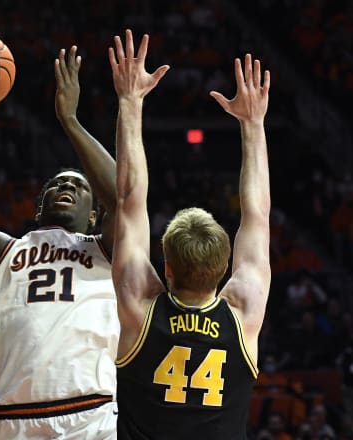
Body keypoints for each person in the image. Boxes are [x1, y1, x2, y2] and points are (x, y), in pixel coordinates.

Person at [0, 45, 118, 439]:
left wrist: (70, 121)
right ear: (37, 207)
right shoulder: (0, 250)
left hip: (90, 416)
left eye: (78, 186)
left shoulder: (108, 248)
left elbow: (124, 197)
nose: (66, 185)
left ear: (94, 215)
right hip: (11, 421)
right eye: (56, 184)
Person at [109, 30, 271, 439]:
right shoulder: (242, 315)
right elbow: (257, 214)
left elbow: (130, 200)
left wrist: (130, 102)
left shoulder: (140, 308)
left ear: (164, 265)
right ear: (224, 270)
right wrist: (253, 124)